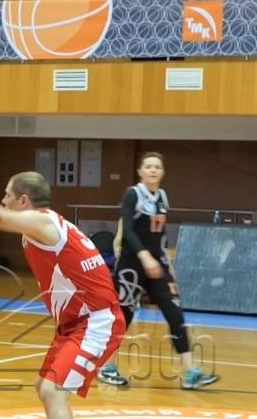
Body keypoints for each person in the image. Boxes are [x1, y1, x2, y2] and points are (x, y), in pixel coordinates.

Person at [0, 166, 125, 419]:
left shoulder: (42, 221)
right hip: (75, 323)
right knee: (43, 386)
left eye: (7, 195)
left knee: (52, 392)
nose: (3, 201)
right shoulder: (46, 224)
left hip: (96, 321)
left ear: (23, 200)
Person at [98, 152, 219, 390]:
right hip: (132, 265)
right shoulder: (133, 194)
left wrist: (168, 265)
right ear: (140, 172)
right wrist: (144, 257)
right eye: (148, 166)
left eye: (157, 167)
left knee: (175, 313)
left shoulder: (162, 196)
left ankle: (191, 373)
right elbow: (128, 231)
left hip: (158, 265)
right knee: (124, 317)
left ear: (162, 172)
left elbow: (160, 236)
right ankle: (106, 367)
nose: (153, 170)